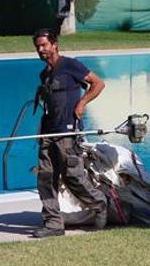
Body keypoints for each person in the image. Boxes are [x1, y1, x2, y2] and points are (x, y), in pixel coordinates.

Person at [30, 28, 108, 238]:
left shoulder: (70, 65)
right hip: (46, 133)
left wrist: (82, 102)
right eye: (38, 46)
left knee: (73, 176)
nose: (41, 49)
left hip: (67, 132)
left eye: (44, 45)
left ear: (54, 44)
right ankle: (53, 224)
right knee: (45, 179)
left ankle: (100, 204)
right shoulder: (44, 74)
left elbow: (98, 83)